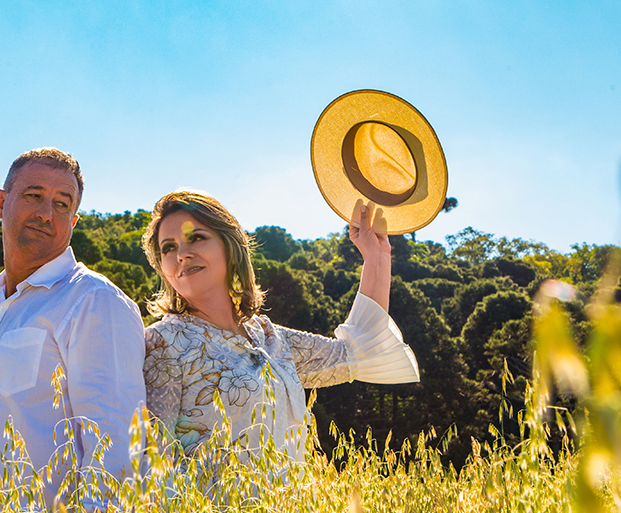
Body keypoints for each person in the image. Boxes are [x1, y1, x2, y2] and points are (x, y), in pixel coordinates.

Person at [141, 189, 419, 465]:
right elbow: (153, 459)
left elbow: (359, 353)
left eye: (196, 238)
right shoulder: (162, 342)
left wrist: (377, 256)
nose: (182, 255)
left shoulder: (268, 337)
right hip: (213, 509)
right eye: (168, 248)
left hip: (289, 508)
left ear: (229, 246)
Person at [0, 148, 146, 512]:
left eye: (62, 204)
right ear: (0, 202)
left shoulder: (93, 302)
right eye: (34, 196)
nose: (45, 213)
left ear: (73, 221)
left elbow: (118, 448)